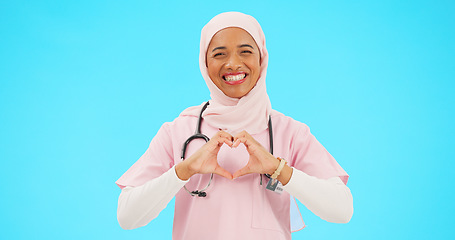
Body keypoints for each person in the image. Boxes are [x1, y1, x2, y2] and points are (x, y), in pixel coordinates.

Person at [116, 12, 353, 240]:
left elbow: (342, 210)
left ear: (261, 59)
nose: (232, 64)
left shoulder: (290, 132)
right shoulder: (178, 130)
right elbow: (127, 216)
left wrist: (278, 169)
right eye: (219, 54)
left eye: (245, 52)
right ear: (204, 64)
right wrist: (184, 171)